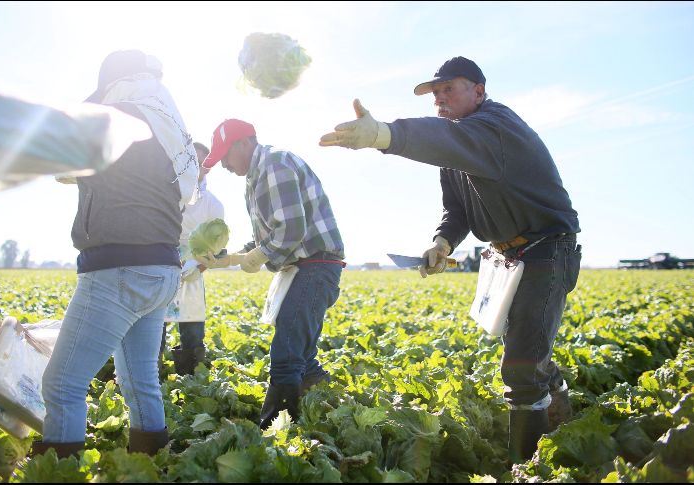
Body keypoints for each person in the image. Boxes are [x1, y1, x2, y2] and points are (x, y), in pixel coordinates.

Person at [319, 56, 581, 463]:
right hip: (510, 256)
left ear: (478, 91)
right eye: (434, 93)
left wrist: (384, 135)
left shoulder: (496, 127)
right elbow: (455, 211)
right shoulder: (457, 148)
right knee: (528, 347)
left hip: (547, 248)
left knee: (521, 364)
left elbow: (441, 137)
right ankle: (562, 417)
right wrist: (442, 243)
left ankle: (527, 466)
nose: (439, 98)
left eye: (448, 89)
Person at [34, 50, 198, 458]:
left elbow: (58, 162)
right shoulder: (166, 125)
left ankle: (59, 468)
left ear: (111, 82)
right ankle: (151, 462)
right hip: (162, 270)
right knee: (140, 380)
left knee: (63, 386)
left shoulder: (114, 117)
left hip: (118, 269)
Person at [196, 119, 345, 430]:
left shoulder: (274, 165)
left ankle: (276, 432)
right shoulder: (256, 177)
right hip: (303, 267)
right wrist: (229, 258)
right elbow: (268, 237)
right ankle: (331, 411)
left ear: (244, 143)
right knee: (301, 357)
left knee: (287, 354)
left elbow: (291, 229)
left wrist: (260, 255)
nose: (223, 164)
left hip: (314, 266)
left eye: (225, 155)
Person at [160, 142, 224, 376]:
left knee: (192, 329)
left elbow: (215, 246)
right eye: (190, 161)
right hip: (161, 264)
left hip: (192, 270)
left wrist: (198, 267)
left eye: (200, 164)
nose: (195, 168)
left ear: (206, 169)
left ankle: (189, 379)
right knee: (155, 325)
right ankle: (152, 379)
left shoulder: (213, 205)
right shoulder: (165, 194)